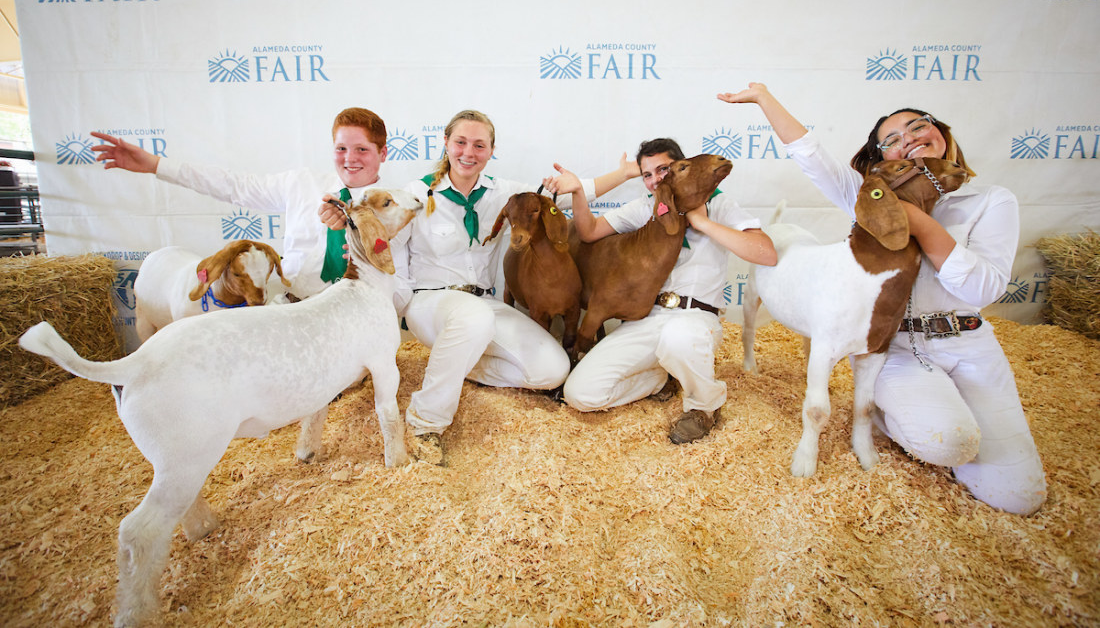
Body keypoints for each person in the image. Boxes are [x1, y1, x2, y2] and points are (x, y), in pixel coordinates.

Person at [718, 82, 1046, 515]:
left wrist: (920, 224)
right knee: (951, 442)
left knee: (1019, 497)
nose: (907, 139)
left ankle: (922, 419)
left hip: (967, 343)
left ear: (940, 131)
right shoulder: (871, 200)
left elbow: (983, 289)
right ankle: (892, 417)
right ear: (882, 161)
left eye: (917, 127)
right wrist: (763, 97)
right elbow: (812, 157)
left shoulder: (989, 201)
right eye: (892, 139)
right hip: (894, 346)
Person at [373, 109, 635, 465]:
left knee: (552, 370)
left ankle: (457, 365)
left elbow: (566, 193)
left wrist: (624, 174)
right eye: (460, 142)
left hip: (485, 305)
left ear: (491, 150)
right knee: (472, 318)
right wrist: (398, 310)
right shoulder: (416, 194)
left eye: (479, 145)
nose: (469, 152)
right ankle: (426, 424)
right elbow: (390, 251)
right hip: (431, 302)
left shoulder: (504, 193)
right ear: (446, 143)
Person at [559, 138, 777, 444]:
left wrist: (702, 223)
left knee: (678, 338)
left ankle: (703, 406)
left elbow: (766, 253)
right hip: (647, 318)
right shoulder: (648, 207)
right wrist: (579, 193)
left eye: (663, 169)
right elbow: (589, 231)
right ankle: (659, 379)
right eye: (647, 174)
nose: (655, 180)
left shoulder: (719, 204)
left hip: (694, 318)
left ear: (680, 168)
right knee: (580, 394)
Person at [90, 107, 388, 301]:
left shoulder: (396, 208)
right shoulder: (302, 183)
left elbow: (398, 281)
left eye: (362, 149)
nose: (349, 158)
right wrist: (156, 165)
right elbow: (234, 186)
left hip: (354, 312)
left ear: (382, 153)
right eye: (341, 148)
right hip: (291, 307)